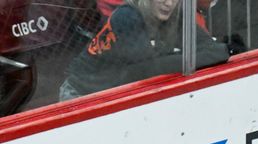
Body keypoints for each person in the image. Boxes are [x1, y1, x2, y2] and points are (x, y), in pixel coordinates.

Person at [59, 0, 231, 101]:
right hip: (82, 94)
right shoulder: (127, 16)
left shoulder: (175, 15)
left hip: (118, 89)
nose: (168, 3)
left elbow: (215, 50)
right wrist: (192, 57)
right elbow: (147, 70)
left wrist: (217, 52)